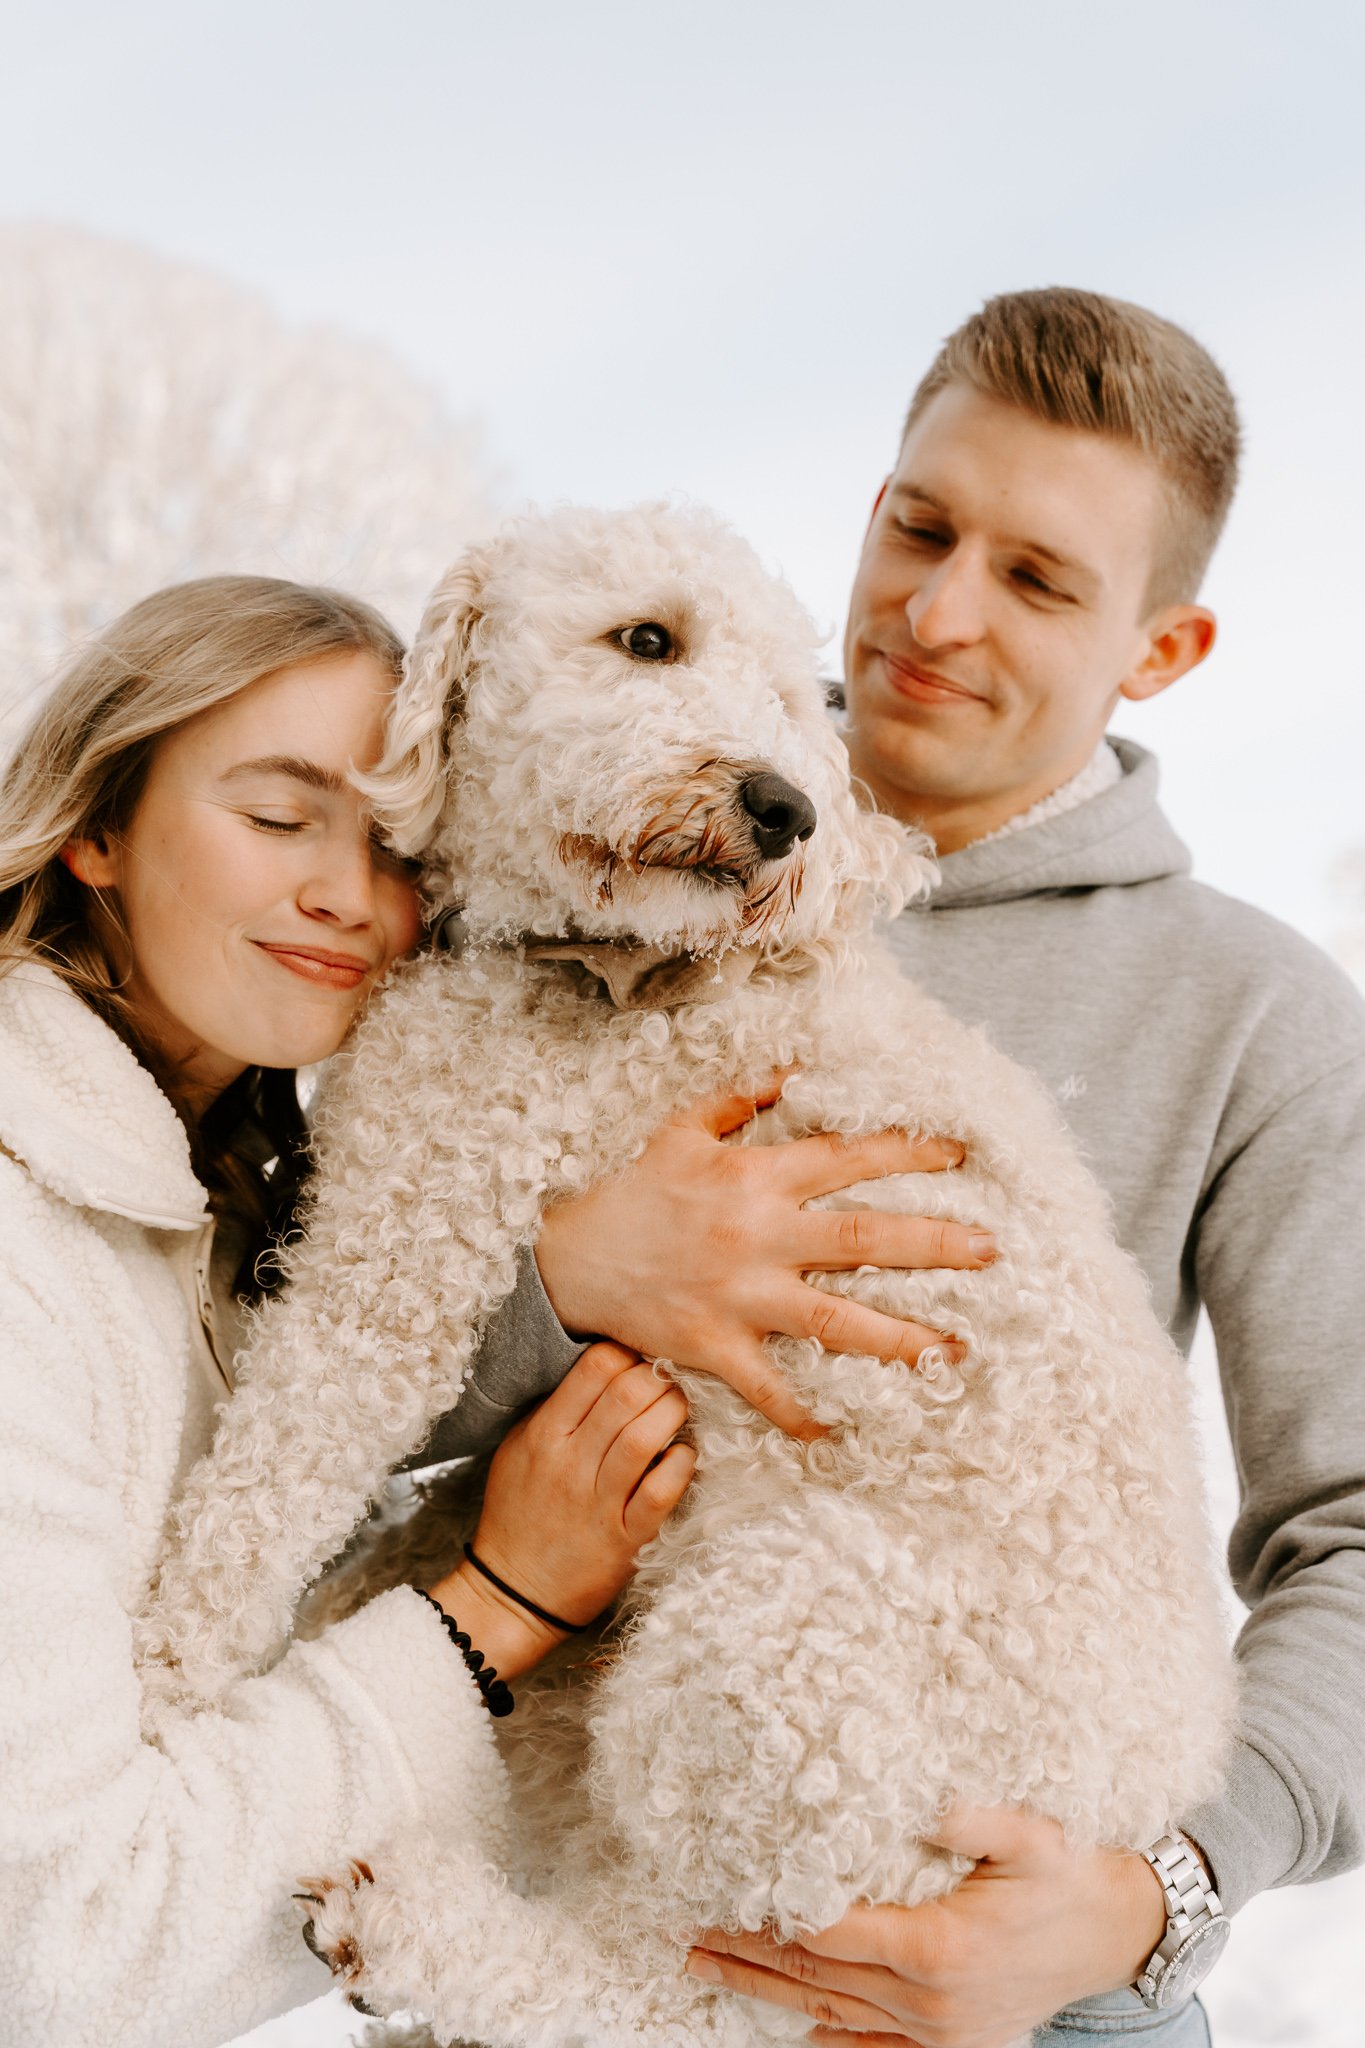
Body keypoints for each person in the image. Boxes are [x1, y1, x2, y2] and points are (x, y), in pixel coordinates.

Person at [0, 573, 978, 2048]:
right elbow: (59, 1944)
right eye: (275, 818)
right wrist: (498, 1606)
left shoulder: (222, 1201)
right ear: (94, 825)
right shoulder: (27, 1246)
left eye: (397, 844)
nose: (349, 894)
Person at [655, 291, 1365, 2043]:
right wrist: (582, 1272)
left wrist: (1152, 1897)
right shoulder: (618, 853)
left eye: (1037, 580)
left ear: (1161, 648)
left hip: (1009, 1995)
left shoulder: (1250, 1011)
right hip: (572, 1939)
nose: (934, 612)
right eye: (918, 526)